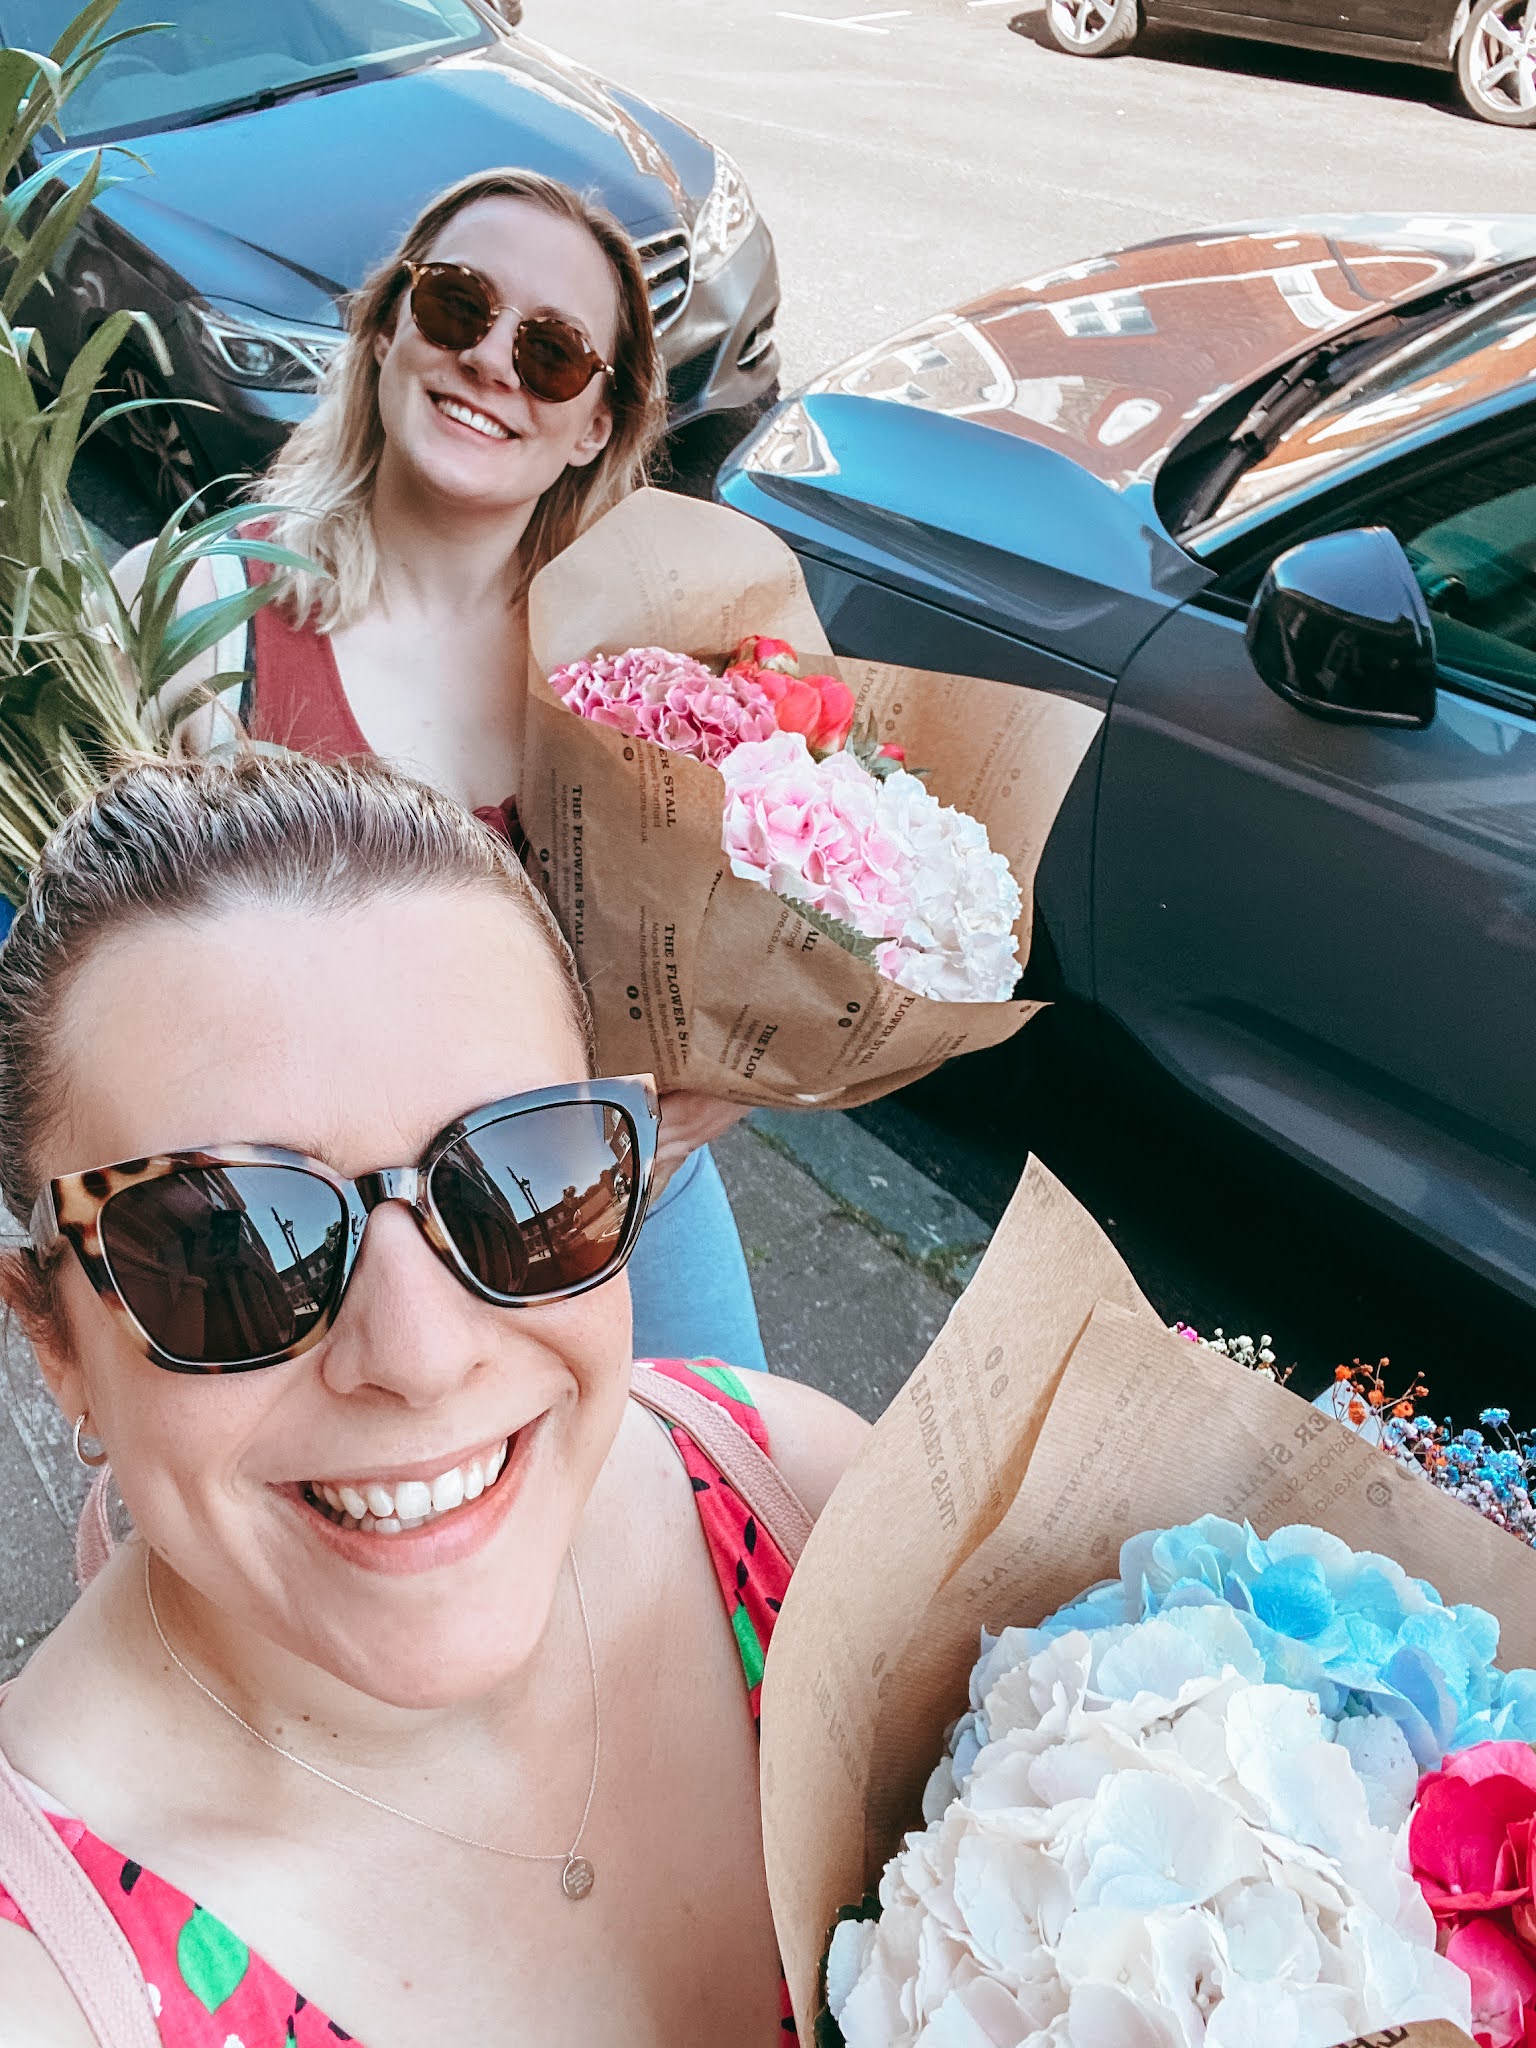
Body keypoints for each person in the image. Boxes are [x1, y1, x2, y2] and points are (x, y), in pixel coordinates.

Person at [0, 753, 866, 2046]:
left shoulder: (794, 1497)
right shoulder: (49, 1985)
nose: (418, 1353)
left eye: (518, 1175)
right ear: (54, 1339)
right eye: (233, 1248)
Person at [112, 167, 767, 1371]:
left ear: (597, 426)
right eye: (460, 306)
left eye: (555, 351)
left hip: (609, 1184)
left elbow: (741, 948)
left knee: (725, 1501)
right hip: (317, 1230)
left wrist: (730, 1078)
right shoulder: (204, 608)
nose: (493, 363)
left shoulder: (644, 662)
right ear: (387, 330)